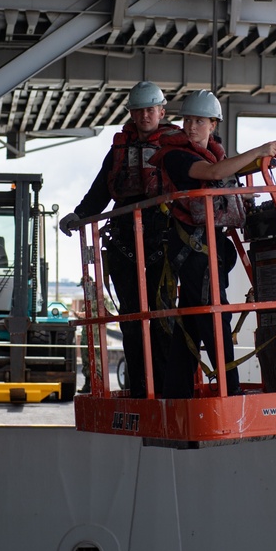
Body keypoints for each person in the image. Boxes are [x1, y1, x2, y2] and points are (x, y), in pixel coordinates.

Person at [153, 90, 276, 399]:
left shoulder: (212, 154)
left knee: (192, 317)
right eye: (187, 120)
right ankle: (231, 388)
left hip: (209, 249)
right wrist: (258, 151)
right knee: (214, 315)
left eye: (199, 121)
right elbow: (211, 174)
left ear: (213, 125)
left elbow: (220, 179)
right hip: (194, 251)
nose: (191, 127)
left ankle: (176, 390)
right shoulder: (177, 156)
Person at [60, 81, 178, 399]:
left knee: (162, 315)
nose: (144, 115)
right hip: (124, 242)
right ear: (131, 114)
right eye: (138, 110)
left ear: (162, 112)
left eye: (150, 109)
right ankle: (140, 386)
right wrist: (79, 215)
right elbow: (100, 191)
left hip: (163, 244)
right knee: (130, 317)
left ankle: (166, 385)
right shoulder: (118, 150)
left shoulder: (176, 146)